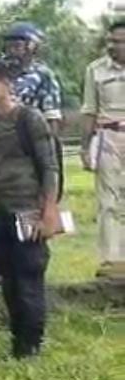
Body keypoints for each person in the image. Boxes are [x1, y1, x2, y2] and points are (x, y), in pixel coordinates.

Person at [0, 60, 61, 359]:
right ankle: (17, 342)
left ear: (6, 85)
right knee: (7, 281)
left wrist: (48, 211)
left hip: (27, 211)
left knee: (28, 279)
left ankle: (31, 345)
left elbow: (49, 167)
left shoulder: (29, 119)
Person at [81, 19, 125, 283]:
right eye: (111, 41)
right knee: (108, 201)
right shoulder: (95, 70)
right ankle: (110, 260)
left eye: (119, 41)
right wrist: (86, 147)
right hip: (108, 135)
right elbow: (89, 110)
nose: (113, 46)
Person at [2, 22, 64, 133]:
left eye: (17, 46)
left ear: (31, 48)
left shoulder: (43, 75)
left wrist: (49, 144)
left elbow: (52, 116)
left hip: (30, 136)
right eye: (8, 47)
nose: (11, 51)